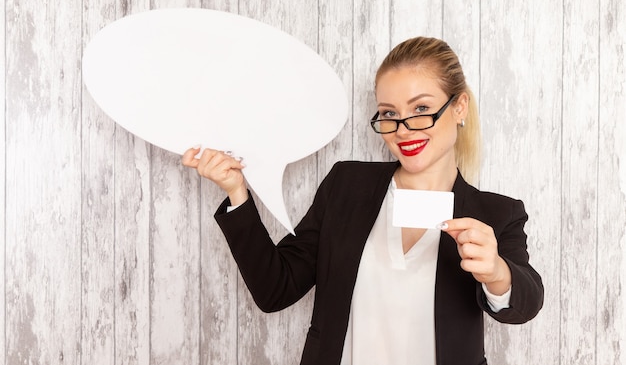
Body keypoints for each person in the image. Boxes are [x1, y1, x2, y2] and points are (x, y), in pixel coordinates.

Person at [182, 36, 544, 365]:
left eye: (420, 109)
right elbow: (275, 289)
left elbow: (526, 302)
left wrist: (497, 273)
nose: (403, 129)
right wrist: (236, 192)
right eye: (389, 113)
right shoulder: (347, 187)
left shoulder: (497, 213)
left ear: (459, 107)